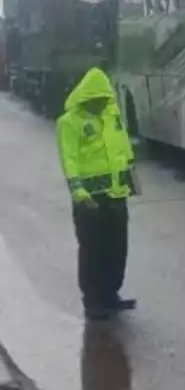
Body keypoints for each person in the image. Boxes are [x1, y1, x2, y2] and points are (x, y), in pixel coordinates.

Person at [56, 67, 139, 320]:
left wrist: (132, 177)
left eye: (104, 100)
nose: (101, 104)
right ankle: (93, 300)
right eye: (97, 100)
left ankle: (111, 295)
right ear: (87, 97)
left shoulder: (112, 114)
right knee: (93, 250)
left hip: (116, 195)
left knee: (117, 248)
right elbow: (69, 160)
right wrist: (79, 193)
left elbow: (122, 148)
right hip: (90, 201)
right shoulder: (69, 122)